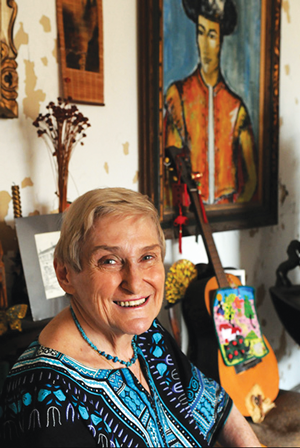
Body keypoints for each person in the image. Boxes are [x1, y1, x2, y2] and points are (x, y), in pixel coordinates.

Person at [0, 187, 260, 447]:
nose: (135, 284)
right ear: (65, 274)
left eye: (147, 257)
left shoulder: (146, 334)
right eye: (109, 261)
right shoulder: (45, 393)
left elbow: (214, 404)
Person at [164, 0, 257, 205]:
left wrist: (232, 207)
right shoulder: (178, 96)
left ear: (221, 40)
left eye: (212, 35)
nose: (205, 43)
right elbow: (168, 176)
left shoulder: (236, 107)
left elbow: (251, 181)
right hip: (189, 213)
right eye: (201, 32)